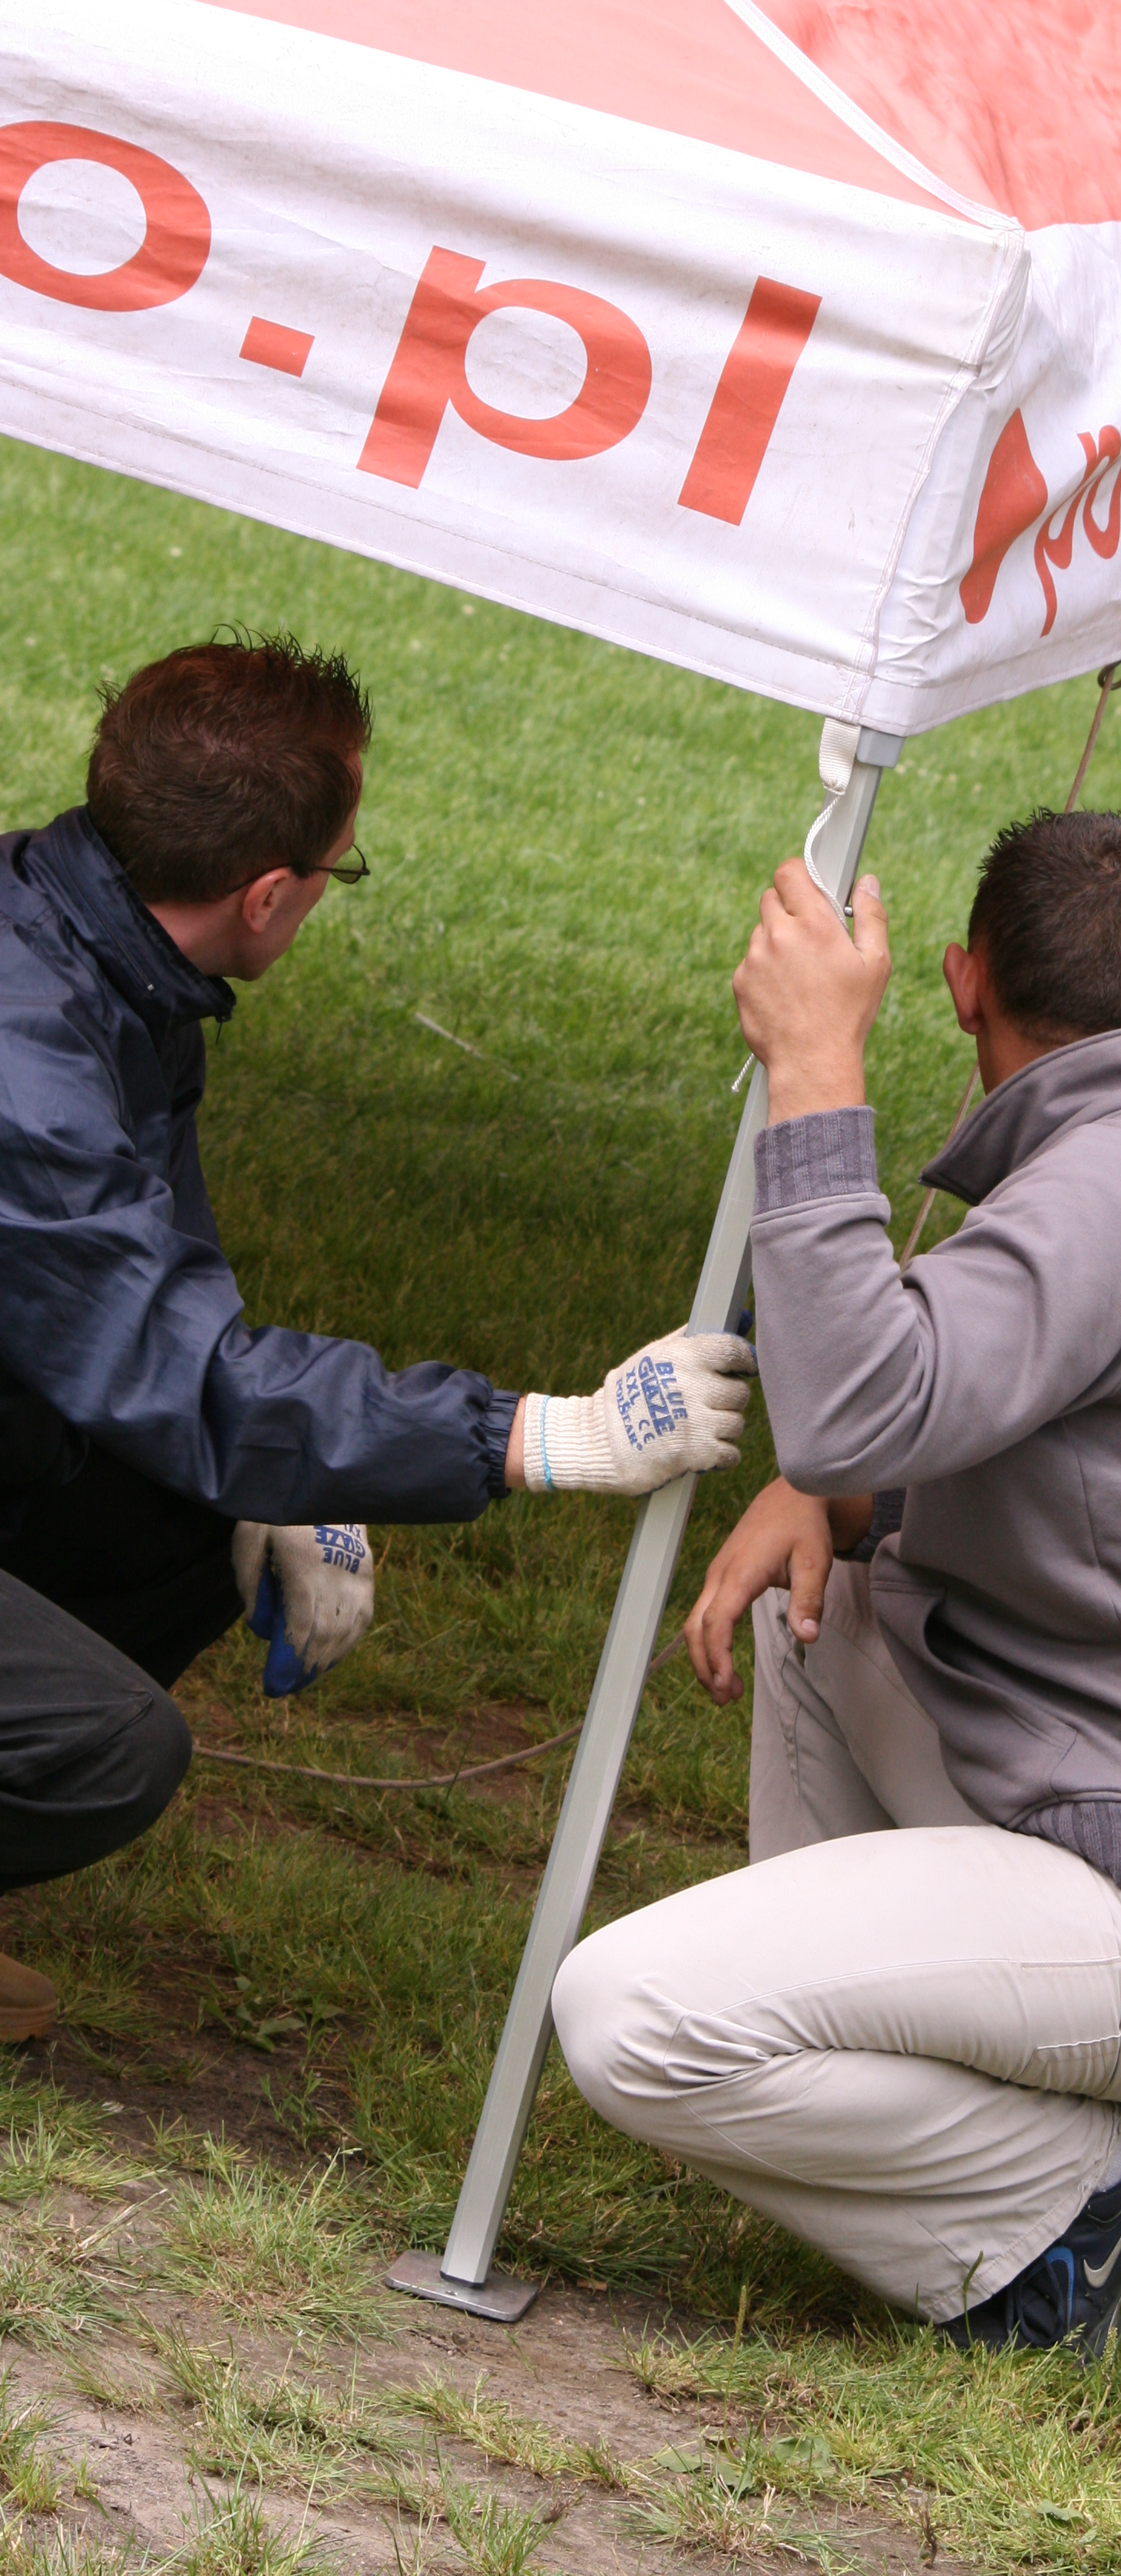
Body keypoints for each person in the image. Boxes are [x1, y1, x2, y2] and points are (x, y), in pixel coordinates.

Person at [551, 810, 1121, 2353]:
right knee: (821, 1605)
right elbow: (1061, 1448)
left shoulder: (1108, 1193)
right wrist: (836, 1499)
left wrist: (817, 1070)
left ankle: (1069, 2202)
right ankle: (901, 2104)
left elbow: (849, 1410)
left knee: (630, 2018)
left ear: (961, 984)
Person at [0, 633, 753, 2036]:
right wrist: (550, 1436)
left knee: (194, 1513)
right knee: (108, 1745)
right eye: (337, 872)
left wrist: (278, 1475)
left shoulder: (103, 963)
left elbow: (161, 1296)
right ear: (268, 894)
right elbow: (183, 1372)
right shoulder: (26, 1054)